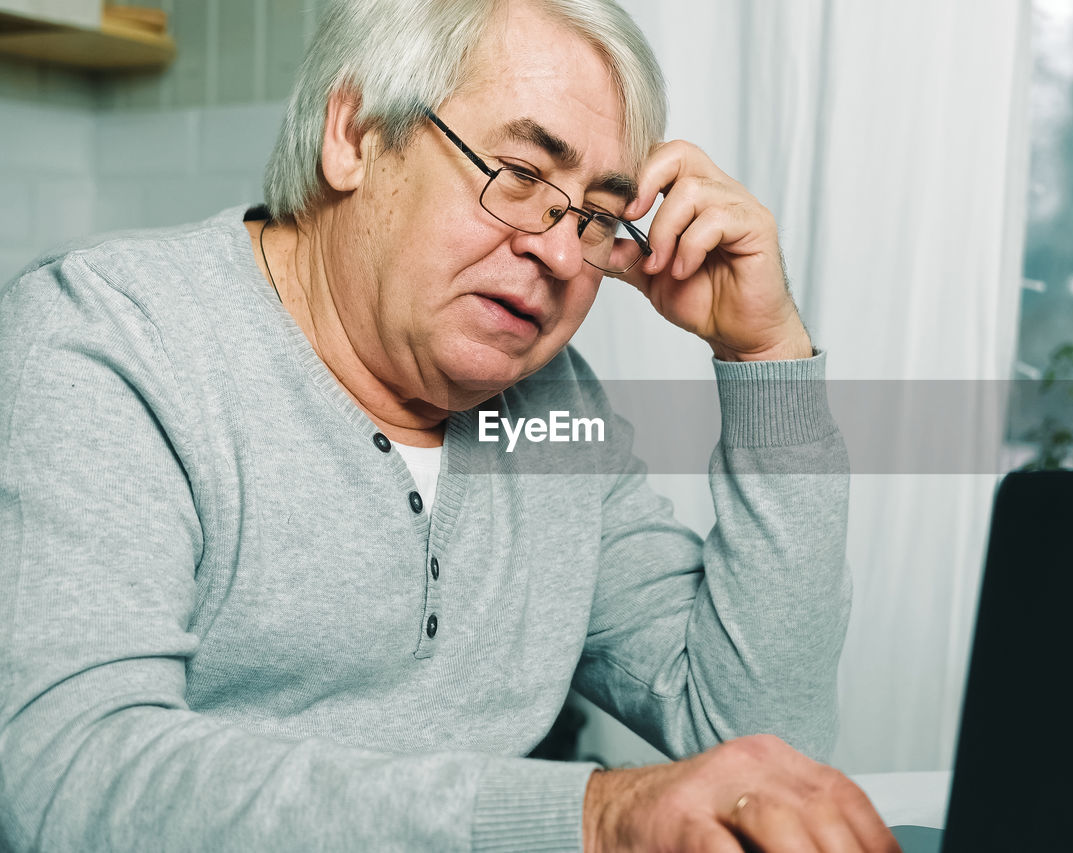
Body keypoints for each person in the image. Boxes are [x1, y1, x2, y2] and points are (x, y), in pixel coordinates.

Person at [0, 0, 897, 850]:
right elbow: (61, 779)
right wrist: (584, 817)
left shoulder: (554, 410)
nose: (555, 250)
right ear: (353, 136)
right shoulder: (108, 338)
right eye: (518, 177)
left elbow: (761, 737)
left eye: (594, 215)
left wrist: (767, 358)